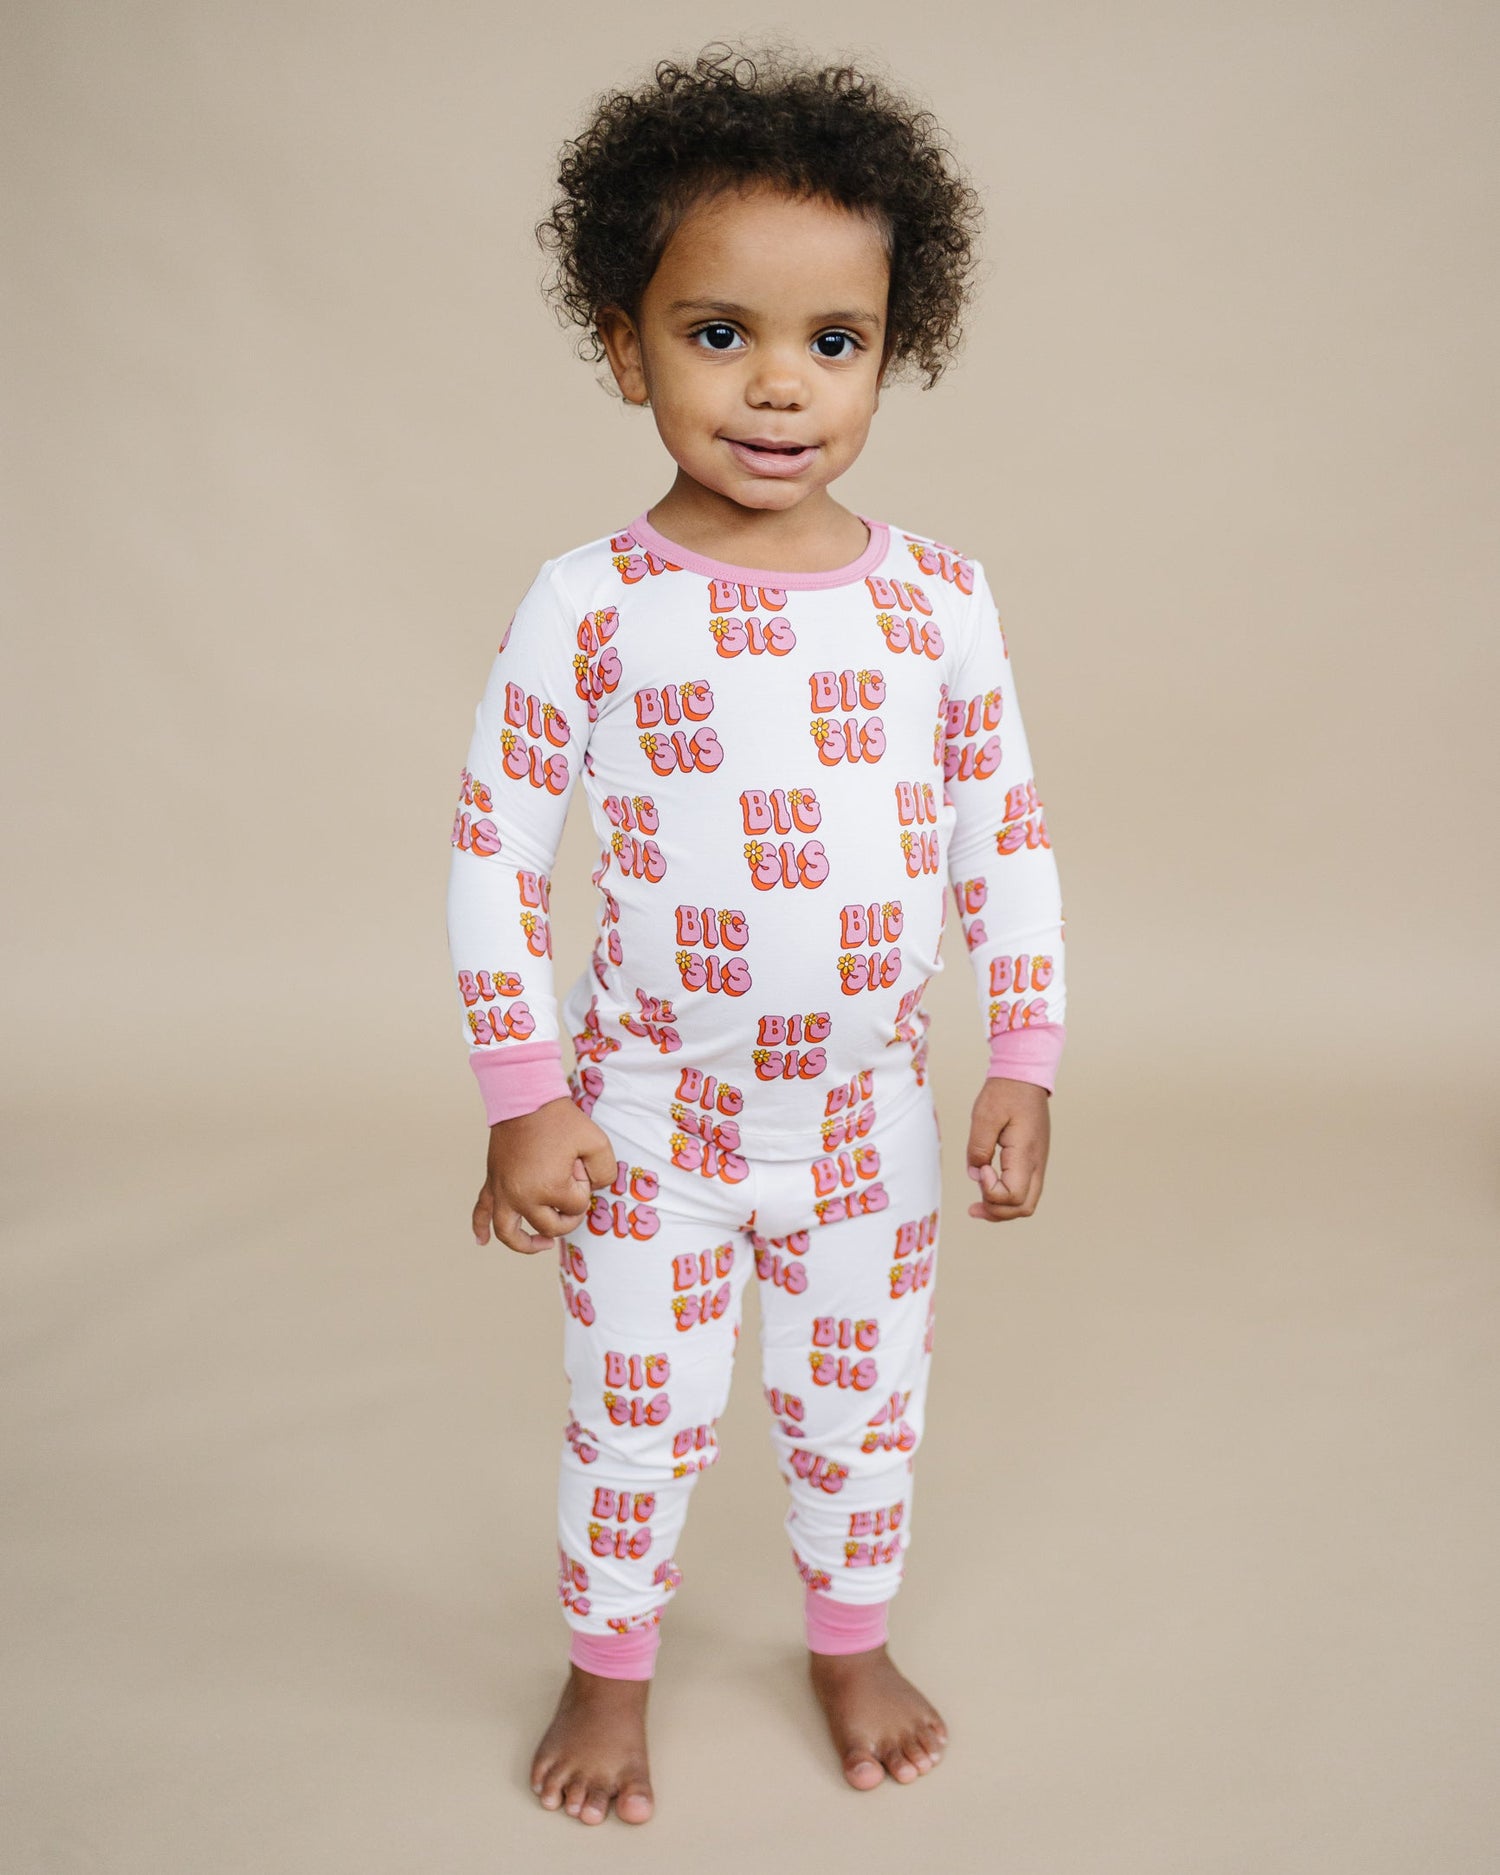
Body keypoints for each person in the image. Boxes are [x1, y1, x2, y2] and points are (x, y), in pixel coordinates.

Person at [445, 42, 1068, 1827]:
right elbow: (496, 853)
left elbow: (1006, 836)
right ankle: (607, 1671)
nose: (780, 384)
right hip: (649, 1119)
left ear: (891, 345)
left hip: (868, 1121)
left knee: (863, 1412)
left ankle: (848, 1643)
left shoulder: (939, 602)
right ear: (623, 344)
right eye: (718, 333)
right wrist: (524, 1093)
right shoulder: (592, 605)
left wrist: (1024, 1051)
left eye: (835, 340)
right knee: (632, 1418)